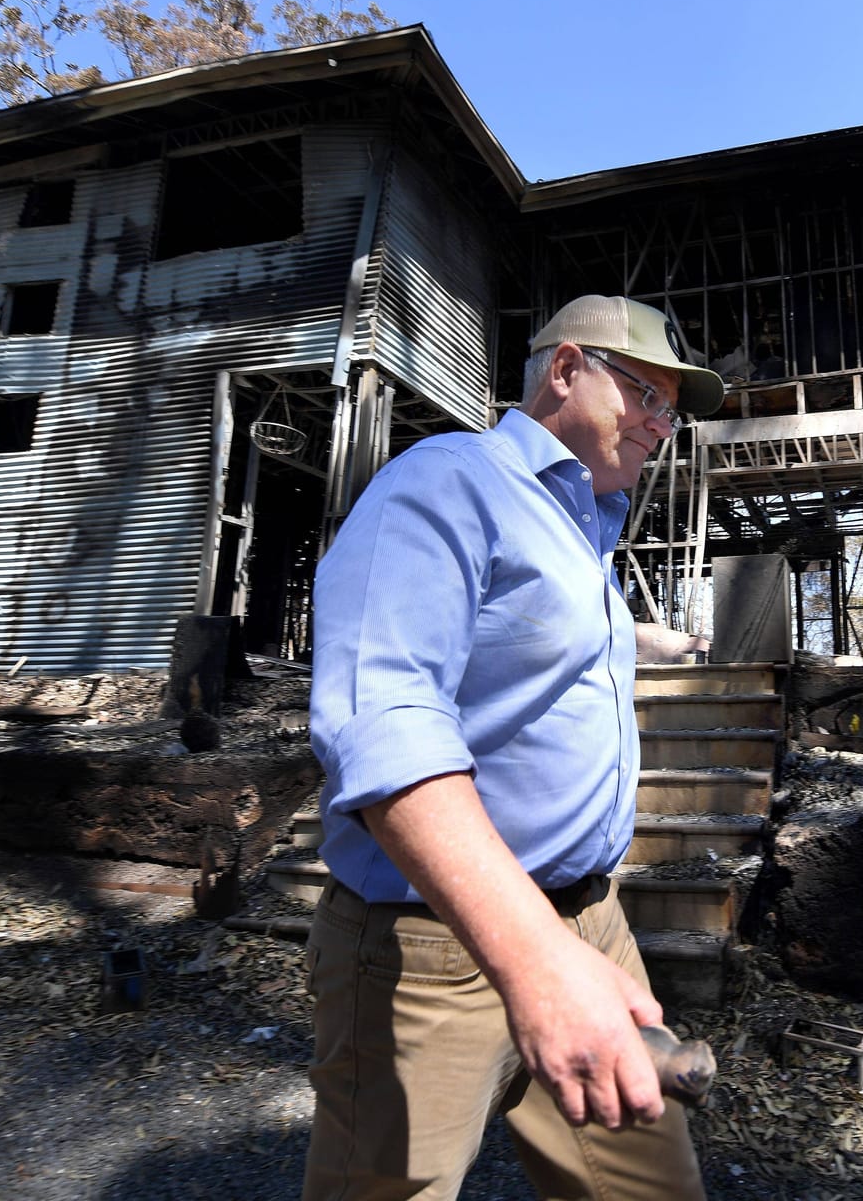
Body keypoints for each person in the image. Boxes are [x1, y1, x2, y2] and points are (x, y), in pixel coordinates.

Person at [303, 294, 725, 1201]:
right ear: (567, 371)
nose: (661, 424)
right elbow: (383, 719)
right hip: (432, 948)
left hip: (592, 926)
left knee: (651, 1188)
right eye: (647, 394)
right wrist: (533, 959)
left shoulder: (587, 531)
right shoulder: (447, 481)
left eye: (671, 411)